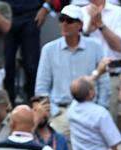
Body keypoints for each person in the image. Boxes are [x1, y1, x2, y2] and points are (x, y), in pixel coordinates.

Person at [34, 5, 110, 137]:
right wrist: (54, 111)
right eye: (61, 19)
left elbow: (104, 82)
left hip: (89, 111)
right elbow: (41, 89)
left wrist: (100, 109)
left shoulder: (95, 47)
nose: (64, 24)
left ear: (80, 24)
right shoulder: (49, 49)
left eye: (69, 20)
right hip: (60, 111)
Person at [68, 76, 121, 150]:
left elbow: (77, 91)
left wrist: (96, 74)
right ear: (91, 93)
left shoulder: (71, 110)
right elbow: (114, 145)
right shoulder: (101, 113)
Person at [3, 0, 52, 104]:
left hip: (30, 15)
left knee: (32, 67)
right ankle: (7, 110)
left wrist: (46, 8)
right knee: (6, 67)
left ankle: (34, 108)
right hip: (5, 14)